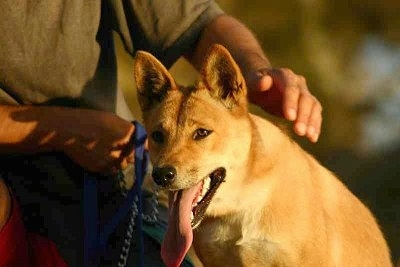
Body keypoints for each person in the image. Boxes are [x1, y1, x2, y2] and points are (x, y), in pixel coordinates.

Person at [0, 1, 322, 266]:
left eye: (201, 134)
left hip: (110, 188)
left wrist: (255, 73)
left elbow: (195, 23)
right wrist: (63, 128)